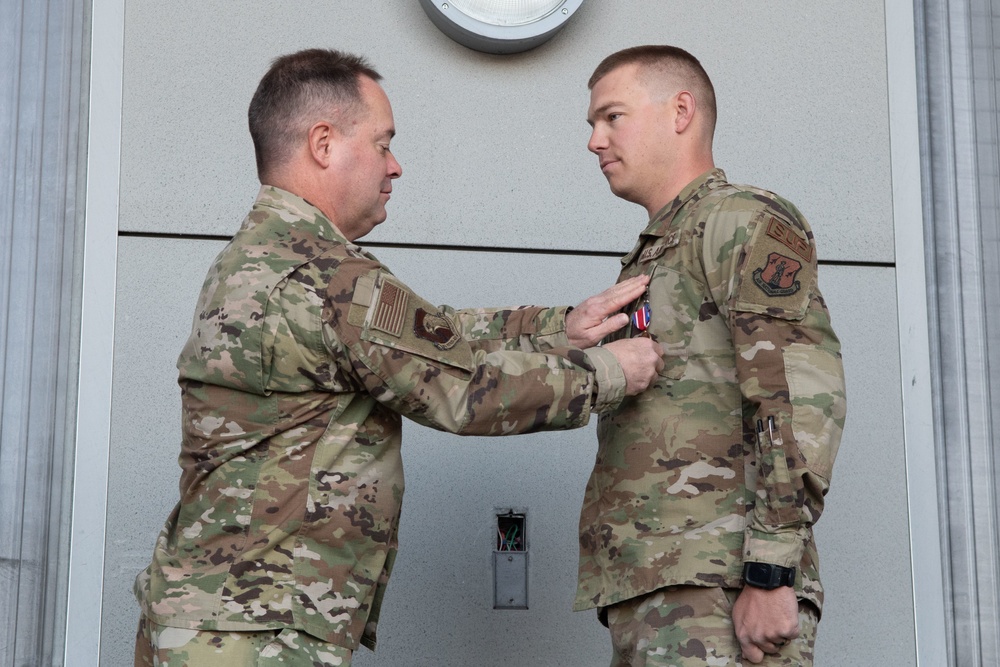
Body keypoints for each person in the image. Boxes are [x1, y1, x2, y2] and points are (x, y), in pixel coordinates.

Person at [132, 48, 664, 666]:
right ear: (323, 144)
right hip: (254, 631)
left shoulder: (265, 256)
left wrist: (559, 329)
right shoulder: (323, 274)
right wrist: (609, 373)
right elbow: (461, 390)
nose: (396, 166)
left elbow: (426, 338)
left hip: (222, 619)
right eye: (383, 143)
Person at [575, 45, 847, 666]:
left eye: (611, 116)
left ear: (680, 111)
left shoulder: (740, 220)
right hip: (663, 584)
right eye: (593, 124)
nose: (595, 140)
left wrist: (770, 573)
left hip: (722, 584)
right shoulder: (659, 247)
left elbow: (798, 395)